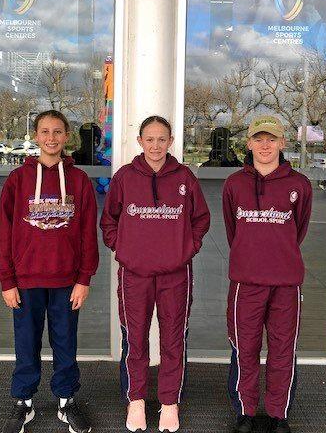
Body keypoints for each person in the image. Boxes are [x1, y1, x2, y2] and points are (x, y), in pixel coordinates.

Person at [100, 115, 210, 432]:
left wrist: (187, 249)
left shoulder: (185, 177)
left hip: (176, 275)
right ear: (140, 141)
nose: (156, 145)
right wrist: (122, 250)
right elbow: (109, 220)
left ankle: (168, 403)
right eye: (150, 139)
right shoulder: (124, 178)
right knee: (135, 340)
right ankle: (136, 401)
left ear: (171, 141)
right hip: (134, 274)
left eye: (162, 139)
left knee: (173, 340)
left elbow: (201, 219)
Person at [0, 110, 98, 433]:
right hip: (25, 281)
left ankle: (66, 400)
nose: (51, 138)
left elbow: (87, 233)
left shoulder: (79, 181)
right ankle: (24, 401)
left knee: (65, 340)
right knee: (26, 341)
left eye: (57, 132)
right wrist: (7, 280)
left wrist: (84, 278)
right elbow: (4, 231)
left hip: (66, 280)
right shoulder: (17, 180)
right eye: (44, 132)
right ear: (36, 136)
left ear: (66, 136)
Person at [223, 116, 312, 433]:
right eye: (259, 139)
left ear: (282, 143)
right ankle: (245, 412)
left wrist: (278, 255)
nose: (265, 145)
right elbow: (233, 231)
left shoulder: (298, 184)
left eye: (271, 139)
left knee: (282, 349)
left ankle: (278, 413)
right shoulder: (234, 184)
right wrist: (252, 255)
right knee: (244, 348)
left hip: (285, 283)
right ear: (248, 143)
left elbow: (297, 230)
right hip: (246, 282)